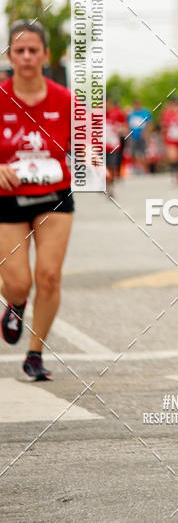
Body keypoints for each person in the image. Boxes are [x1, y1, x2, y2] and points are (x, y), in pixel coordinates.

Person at [0, 20, 75, 381]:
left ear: (46, 55)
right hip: (7, 200)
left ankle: (35, 353)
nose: (27, 57)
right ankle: (15, 304)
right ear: (10, 56)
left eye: (33, 50)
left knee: (48, 275)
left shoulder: (65, 99)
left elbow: (87, 145)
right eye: (19, 50)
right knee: (18, 283)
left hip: (54, 196)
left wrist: (96, 161)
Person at [160, 99, 178, 183]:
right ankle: (174, 174)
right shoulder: (166, 114)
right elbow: (163, 125)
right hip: (171, 139)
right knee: (173, 157)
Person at [127, 99, 153, 173]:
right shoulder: (131, 114)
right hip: (133, 136)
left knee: (144, 153)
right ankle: (135, 168)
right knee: (132, 153)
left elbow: (150, 123)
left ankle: (146, 169)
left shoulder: (145, 113)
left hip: (142, 136)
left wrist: (146, 133)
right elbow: (127, 124)